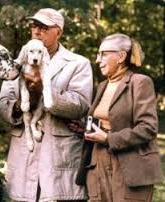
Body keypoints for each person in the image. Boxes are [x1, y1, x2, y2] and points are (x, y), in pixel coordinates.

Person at [0, 8, 93, 202]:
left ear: (59, 31)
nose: (37, 32)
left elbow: (80, 105)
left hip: (59, 152)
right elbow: (2, 106)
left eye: (44, 27)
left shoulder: (77, 63)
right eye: (34, 26)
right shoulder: (16, 64)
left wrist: (43, 89)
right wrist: (22, 104)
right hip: (26, 150)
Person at [69, 33, 162, 202]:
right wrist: (86, 129)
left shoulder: (140, 82)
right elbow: (108, 120)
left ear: (121, 56)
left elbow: (148, 128)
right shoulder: (103, 85)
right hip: (97, 163)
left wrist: (108, 138)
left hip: (130, 165)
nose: (98, 60)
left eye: (103, 54)